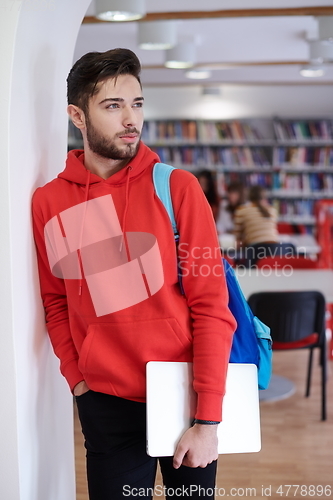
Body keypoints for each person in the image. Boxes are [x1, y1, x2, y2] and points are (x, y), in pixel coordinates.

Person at [32, 48, 236, 500]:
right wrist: (78, 380)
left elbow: (211, 307)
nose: (131, 119)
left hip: (185, 394)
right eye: (113, 105)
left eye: (137, 103)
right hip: (104, 400)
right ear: (76, 115)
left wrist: (208, 420)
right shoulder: (49, 202)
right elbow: (55, 300)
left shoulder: (176, 187)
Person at [233, 184, 279, 266]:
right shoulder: (272, 210)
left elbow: (238, 238)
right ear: (264, 197)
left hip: (255, 250)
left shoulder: (242, 211)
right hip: (275, 249)